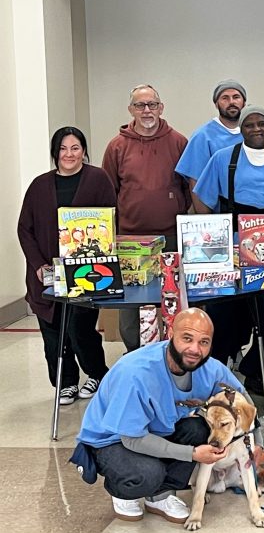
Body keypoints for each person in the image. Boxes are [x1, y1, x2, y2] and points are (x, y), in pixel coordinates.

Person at [75, 308, 244, 524]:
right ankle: (123, 490)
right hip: (112, 439)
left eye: (204, 342)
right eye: (187, 338)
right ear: (170, 334)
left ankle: (160, 495)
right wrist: (191, 453)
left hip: (159, 429)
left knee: (201, 429)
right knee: (148, 474)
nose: (195, 349)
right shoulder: (136, 373)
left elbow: (241, 399)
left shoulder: (210, 369)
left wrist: (253, 443)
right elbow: (132, 439)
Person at [193, 105, 264, 397]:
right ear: (241, 130)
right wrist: (212, 238)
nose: (257, 129)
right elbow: (202, 198)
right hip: (230, 247)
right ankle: (217, 369)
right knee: (221, 309)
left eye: (263, 124)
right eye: (250, 125)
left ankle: (258, 370)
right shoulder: (223, 160)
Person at [18, 126, 113, 405]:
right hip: (45, 274)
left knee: (79, 329)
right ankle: (66, 382)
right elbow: (25, 229)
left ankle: (96, 373)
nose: (69, 154)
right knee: (52, 332)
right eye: (63, 148)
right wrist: (37, 264)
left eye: (75, 148)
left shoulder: (98, 178)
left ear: (84, 150)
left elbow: (109, 221)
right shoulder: (39, 185)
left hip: (86, 273)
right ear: (55, 152)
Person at [101, 84, 190, 351]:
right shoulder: (117, 146)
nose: (147, 110)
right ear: (131, 110)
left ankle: (173, 357)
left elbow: (189, 188)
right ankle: (134, 355)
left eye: (152, 104)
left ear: (161, 108)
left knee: (173, 304)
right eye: (140, 105)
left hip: (171, 239)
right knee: (131, 308)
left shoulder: (179, 142)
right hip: (130, 241)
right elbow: (109, 193)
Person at [176, 79, 256, 189]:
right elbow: (195, 181)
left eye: (236, 97)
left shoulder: (256, 132)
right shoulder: (203, 136)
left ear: (244, 103)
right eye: (225, 98)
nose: (231, 102)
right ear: (216, 104)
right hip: (220, 204)